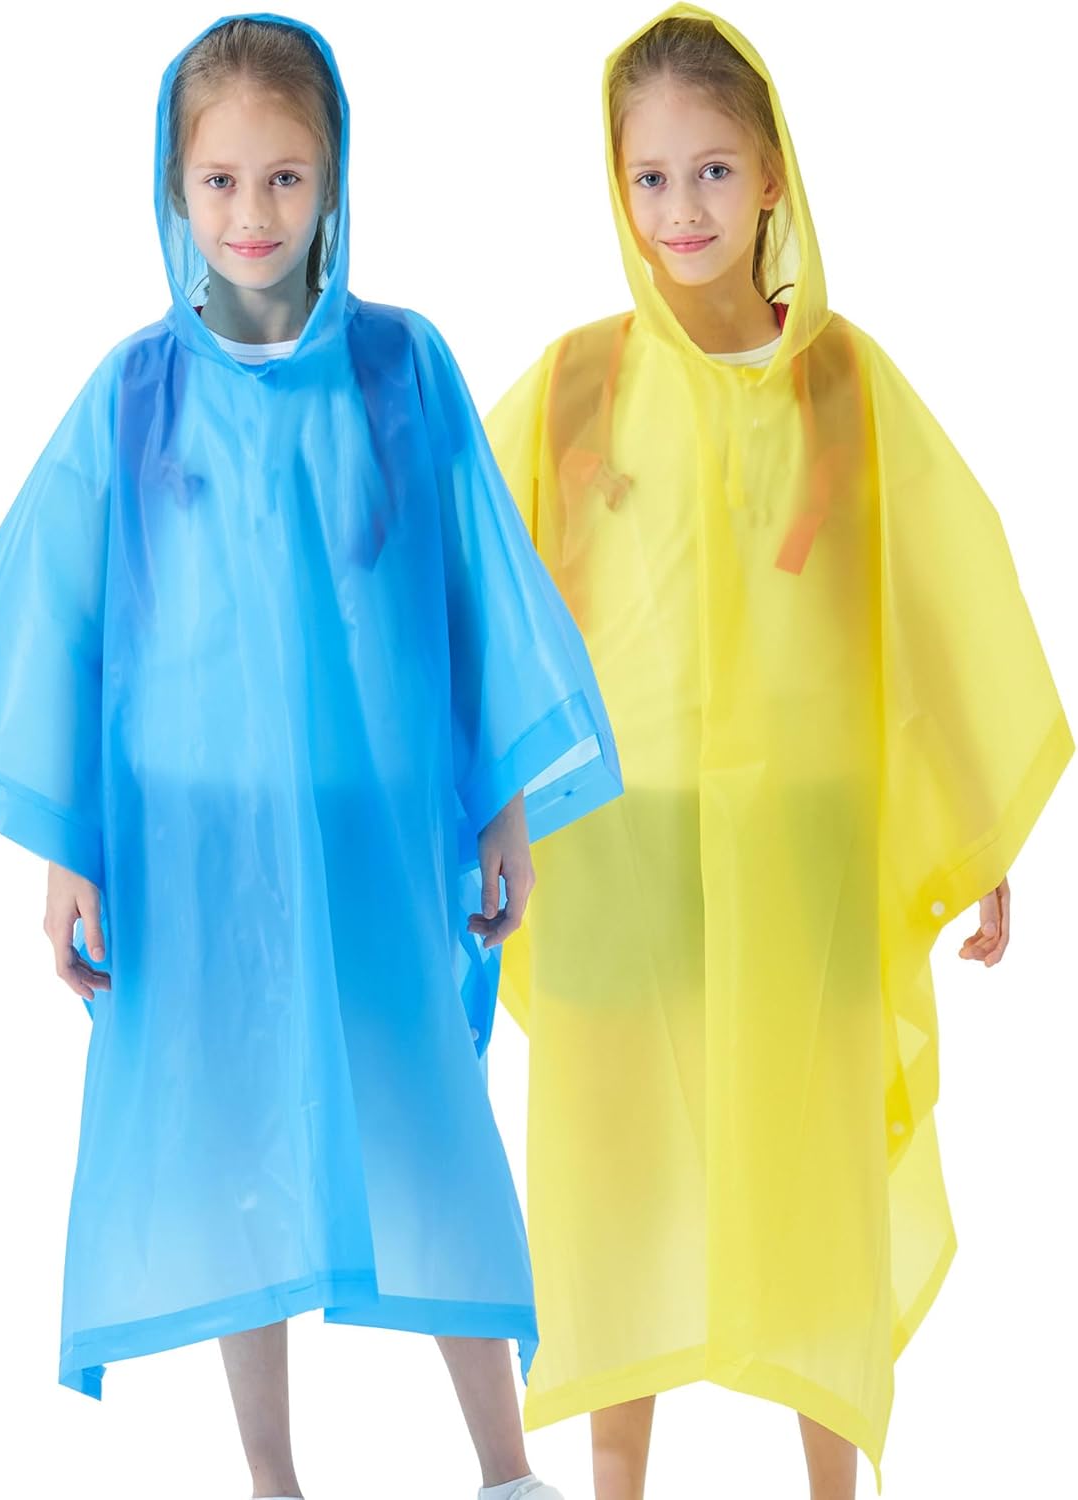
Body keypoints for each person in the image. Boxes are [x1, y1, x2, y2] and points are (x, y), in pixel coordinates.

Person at [0, 14, 621, 1500]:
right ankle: (272, 1476)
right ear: (173, 188)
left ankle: (504, 1468)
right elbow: (69, 626)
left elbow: (477, 588)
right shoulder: (136, 395)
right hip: (196, 834)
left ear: (334, 179)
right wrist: (72, 850)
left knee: (422, 1120)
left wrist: (502, 806)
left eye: (285, 177)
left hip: (371, 820)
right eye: (219, 181)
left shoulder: (403, 370)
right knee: (239, 1148)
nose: (253, 213)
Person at [483, 5, 1072, 1498]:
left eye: (712, 171)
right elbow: (470, 592)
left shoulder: (845, 387)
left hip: (805, 834)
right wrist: (470, 806)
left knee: (811, 1174)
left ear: (771, 177)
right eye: (649, 178)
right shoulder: (574, 386)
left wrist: (968, 830)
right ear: (615, 187)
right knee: (620, 1172)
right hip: (616, 845)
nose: (680, 209)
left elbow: (927, 604)